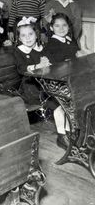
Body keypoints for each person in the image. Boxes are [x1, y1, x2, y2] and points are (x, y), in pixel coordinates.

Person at [14, 16, 68, 149]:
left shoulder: (42, 48)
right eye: (23, 35)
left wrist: (50, 64)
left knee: (66, 98)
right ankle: (62, 136)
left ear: (36, 34)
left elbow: (52, 65)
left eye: (31, 34)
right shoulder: (19, 51)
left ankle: (69, 130)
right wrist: (38, 66)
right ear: (19, 38)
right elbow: (21, 69)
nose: (27, 38)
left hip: (47, 84)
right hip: (32, 88)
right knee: (57, 104)